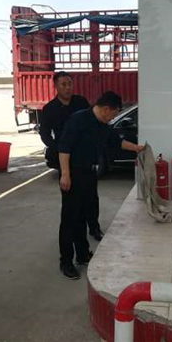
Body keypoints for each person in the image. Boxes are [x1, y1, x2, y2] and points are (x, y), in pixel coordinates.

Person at [57, 91, 144, 280]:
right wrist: (65, 174)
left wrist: (137, 148)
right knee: (70, 220)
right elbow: (64, 148)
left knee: (83, 216)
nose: (113, 117)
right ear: (105, 109)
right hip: (73, 175)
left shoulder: (103, 125)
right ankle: (66, 262)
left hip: (90, 174)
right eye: (114, 113)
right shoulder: (78, 120)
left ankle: (82, 254)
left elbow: (118, 142)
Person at [39, 71, 105, 241]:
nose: (67, 87)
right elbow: (44, 134)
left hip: (85, 158)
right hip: (65, 160)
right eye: (63, 84)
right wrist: (58, 148)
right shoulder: (49, 109)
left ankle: (94, 227)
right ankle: (74, 233)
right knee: (71, 200)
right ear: (55, 86)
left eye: (69, 84)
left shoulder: (81, 102)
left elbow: (93, 123)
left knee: (91, 197)